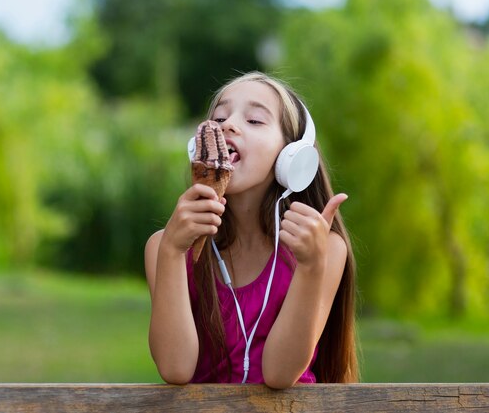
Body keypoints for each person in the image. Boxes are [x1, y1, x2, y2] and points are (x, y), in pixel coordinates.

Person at [144, 72, 358, 389]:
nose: (228, 125)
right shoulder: (165, 246)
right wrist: (174, 252)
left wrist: (312, 266)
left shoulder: (324, 247)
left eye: (255, 120)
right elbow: (175, 368)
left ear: (291, 156)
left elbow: (279, 374)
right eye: (219, 117)